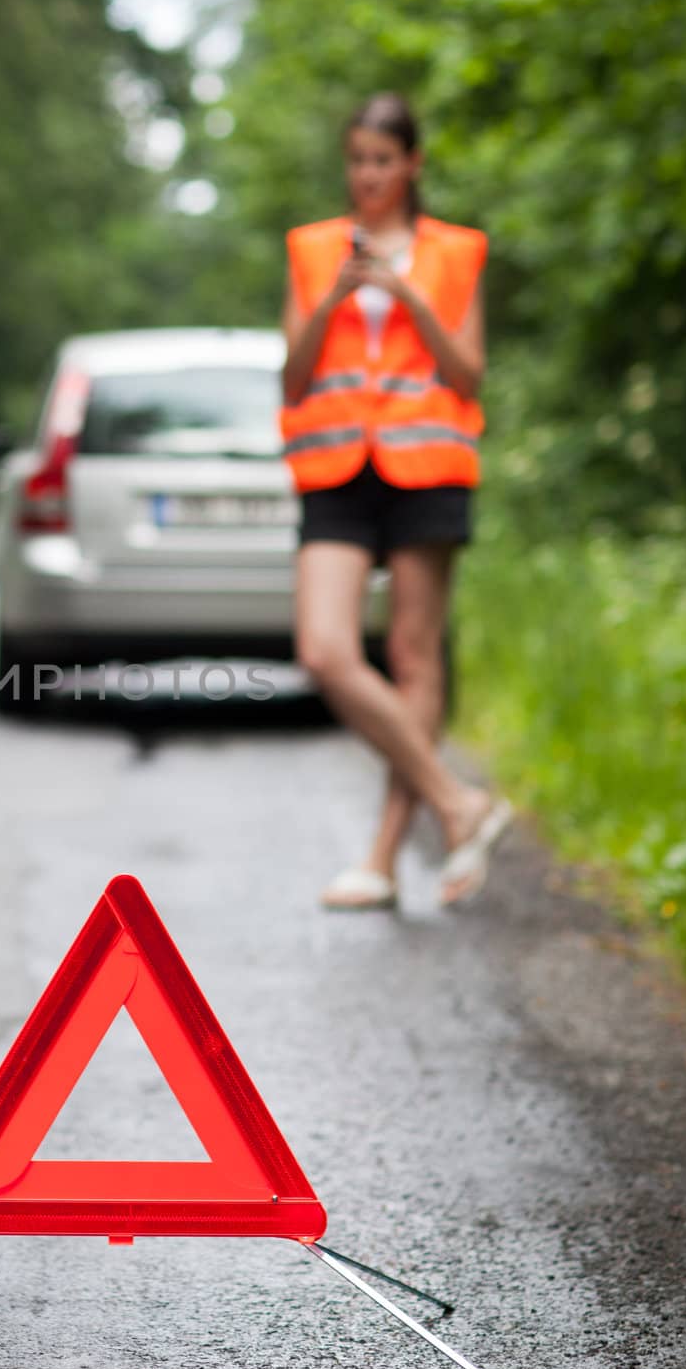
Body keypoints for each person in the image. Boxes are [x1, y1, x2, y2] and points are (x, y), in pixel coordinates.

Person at [278, 92, 512, 909]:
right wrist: (338, 297)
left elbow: (469, 374)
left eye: (383, 160)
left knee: (414, 660)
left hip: (427, 463)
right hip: (337, 464)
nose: (368, 176)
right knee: (324, 651)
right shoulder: (312, 250)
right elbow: (294, 376)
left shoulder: (455, 252)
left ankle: (380, 860)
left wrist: (409, 296)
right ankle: (458, 804)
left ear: (412, 164)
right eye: (357, 161)